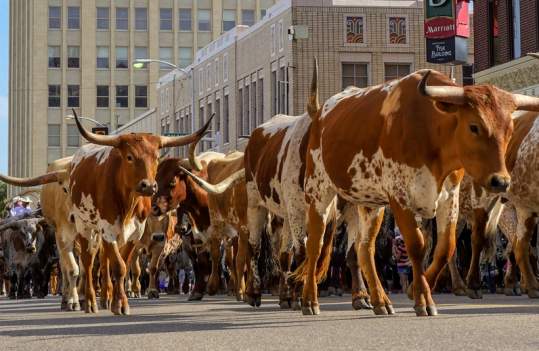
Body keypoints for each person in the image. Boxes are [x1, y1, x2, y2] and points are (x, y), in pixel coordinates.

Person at [392, 226, 411, 293]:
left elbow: (397, 258)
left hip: (401, 265)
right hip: (406, 264)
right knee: (406, 280)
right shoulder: (406, 247)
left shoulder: (400, 248)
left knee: (403, 281)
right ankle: (407, 292)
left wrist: (394, 249)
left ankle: (405, 293)